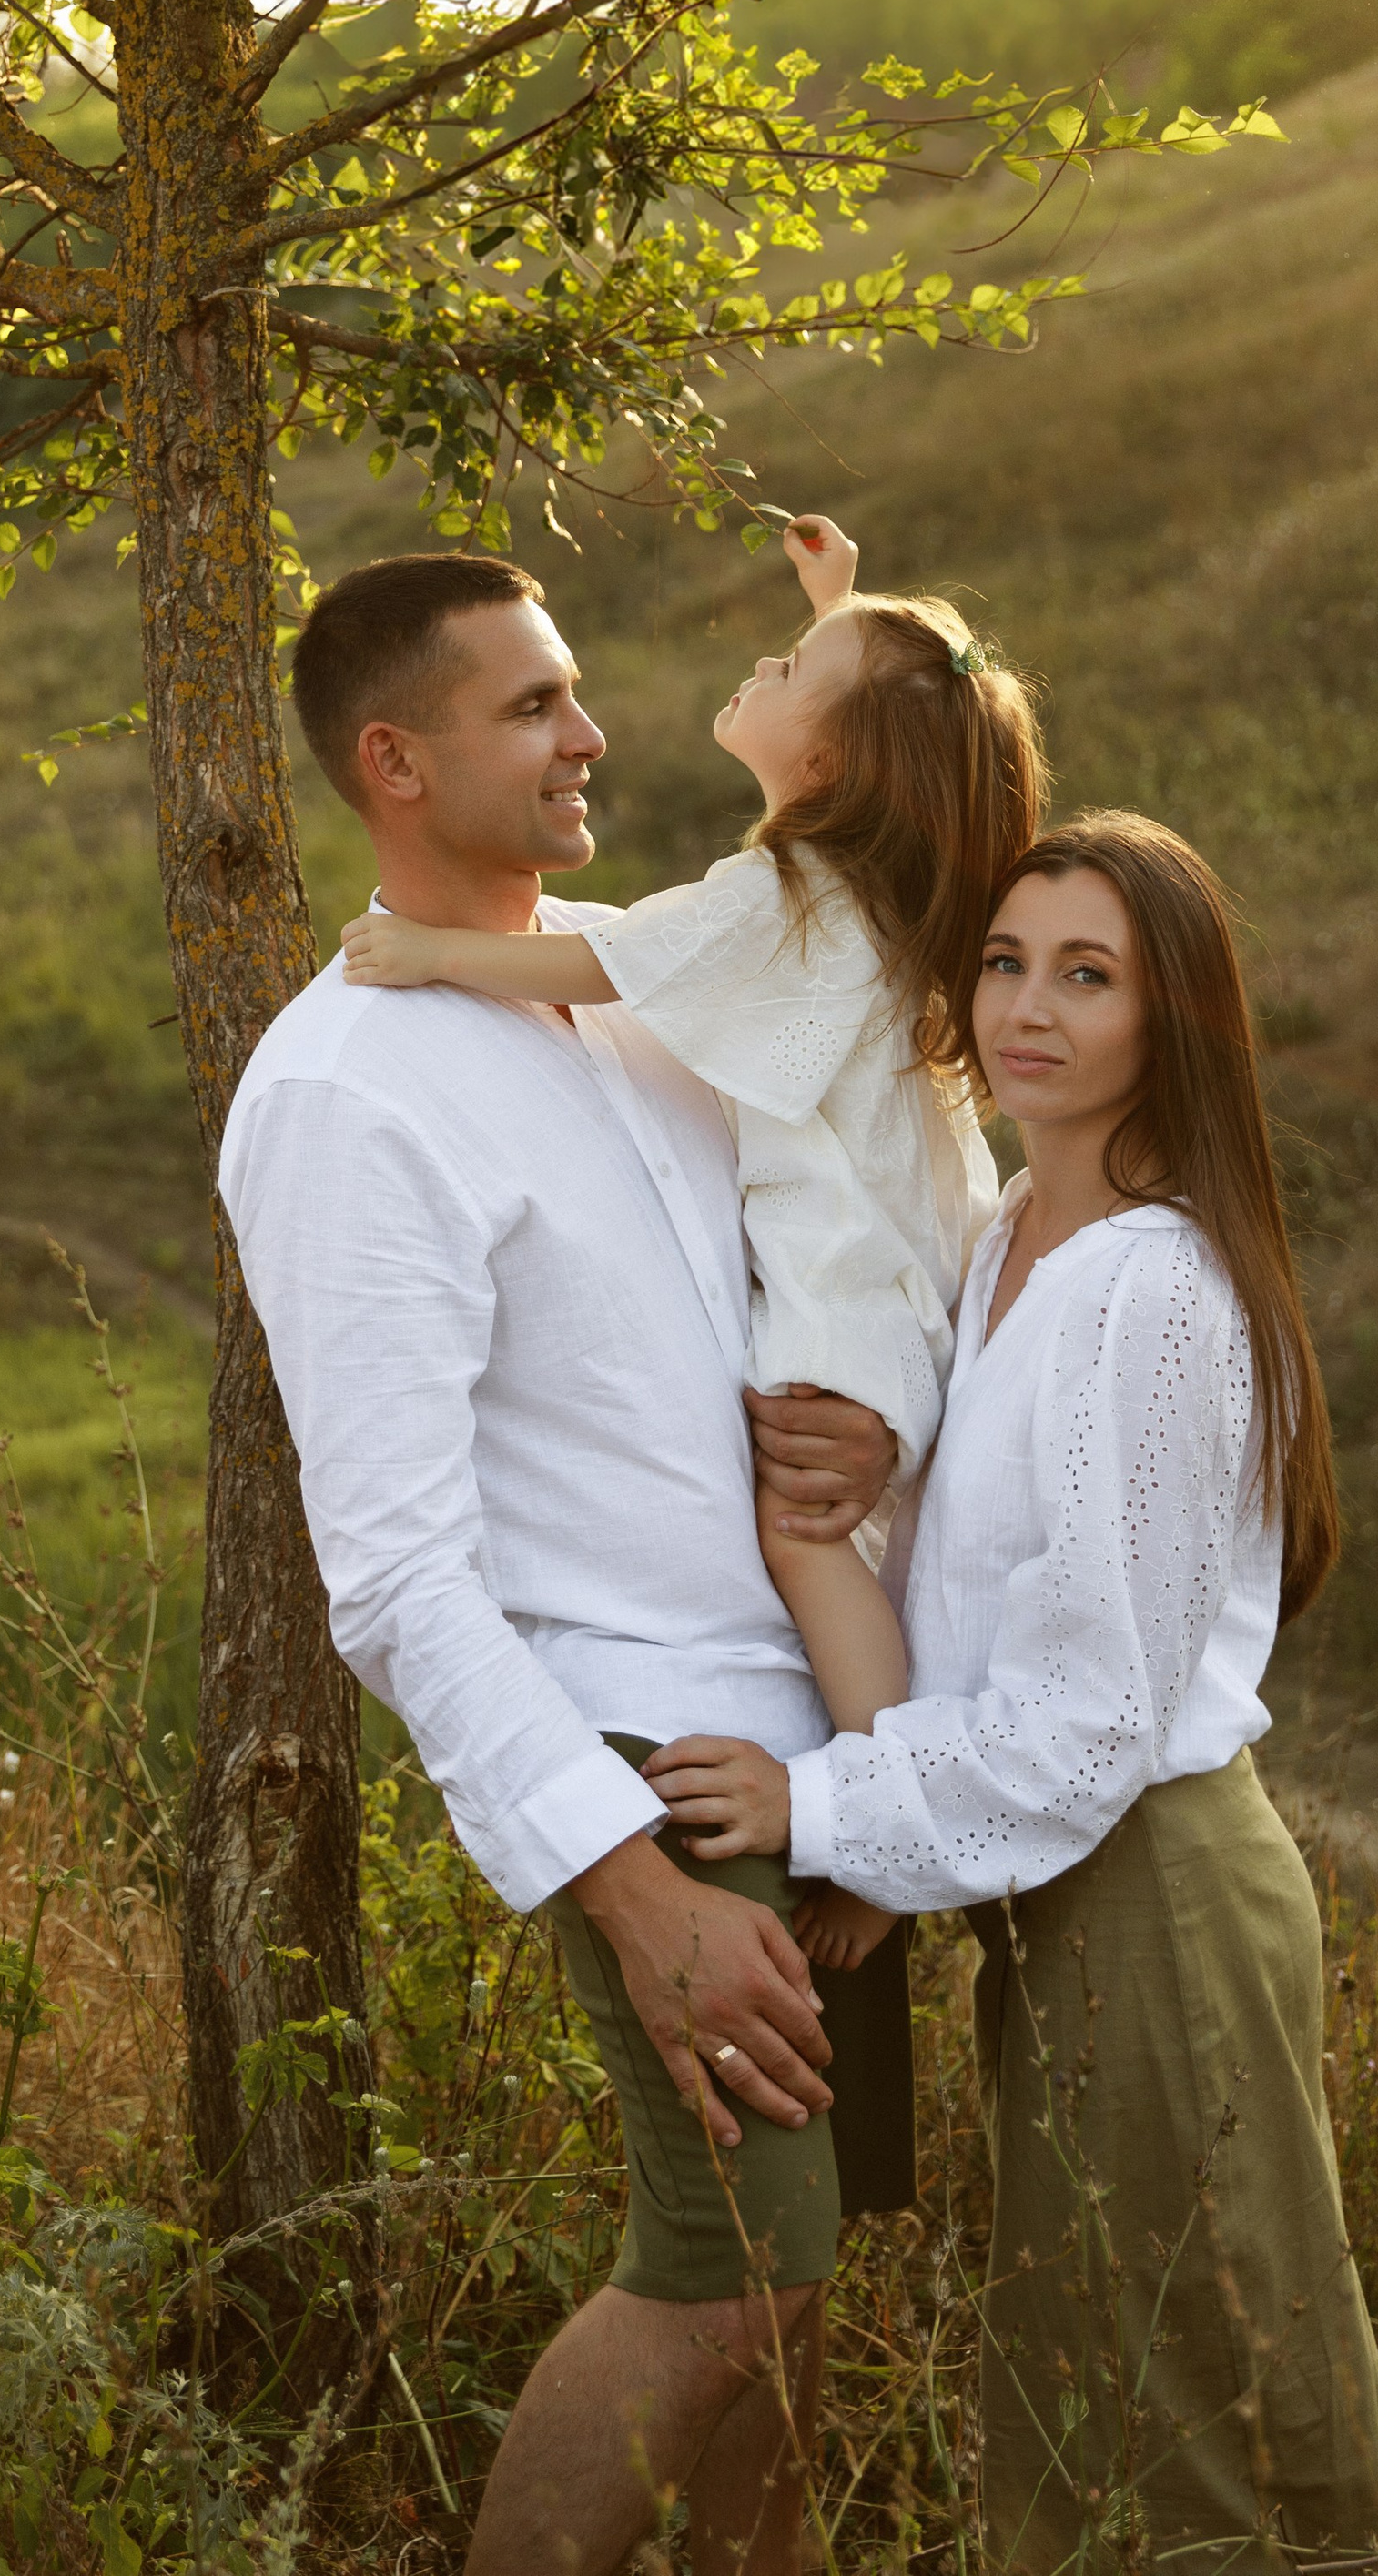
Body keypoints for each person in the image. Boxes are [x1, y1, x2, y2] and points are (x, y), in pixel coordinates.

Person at [218, 547, 924, 2576]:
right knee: (718, 2279)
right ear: (394, 762)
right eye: (529, 706)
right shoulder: (345, 1089)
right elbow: (394, 1576)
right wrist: (626, 1888)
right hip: (649, 1765)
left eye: (575, 691)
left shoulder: (637, 973)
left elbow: (818, 1269)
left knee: (795, 2308)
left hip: (812, 1746)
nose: (591, 733)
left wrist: (875, 1740)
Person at [647, 813, 1378, 2573]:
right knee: (1106, 2378)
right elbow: (967, 1615)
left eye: (1090, 975)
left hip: (1156, 1881)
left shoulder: (1153, 1286)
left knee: (1207, 2401)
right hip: (1063, 1892)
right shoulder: (1010, 1236)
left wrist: (821, 1808)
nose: (1029, 1007)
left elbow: (1087, 1716)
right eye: (1007, 961)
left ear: (1178, 1021)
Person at [339, 511, 1046, 1974]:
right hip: (906, 1267)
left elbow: (613, 962)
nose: (760, 663)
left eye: (790, 663)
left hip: (849, 1280)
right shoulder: (871, 885)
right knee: (856, 1541)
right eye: (537, 704)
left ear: (838, 760)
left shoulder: (784, 900)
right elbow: (897, 718)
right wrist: (845, 607)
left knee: (810, 1536)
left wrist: (428, 953)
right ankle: (897, 1793)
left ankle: (888, 1819)